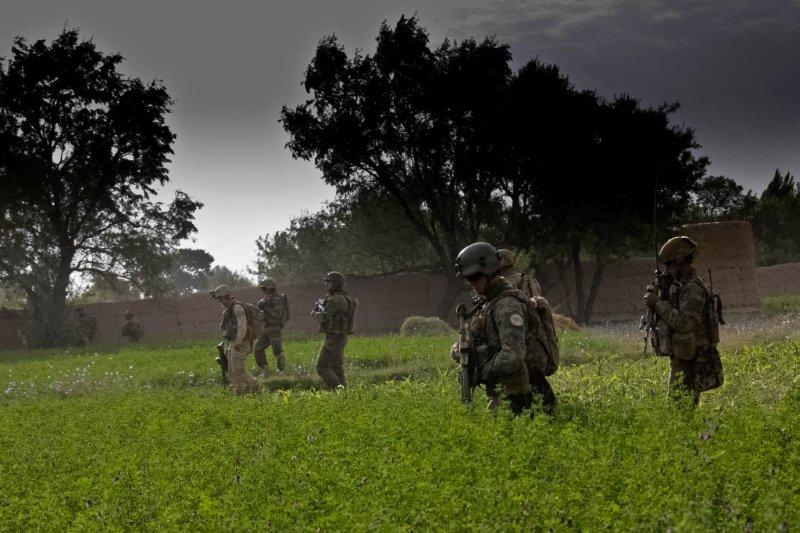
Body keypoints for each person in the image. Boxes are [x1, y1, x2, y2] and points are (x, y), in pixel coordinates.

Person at [453, 242, 550, 415]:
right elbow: (491, 342)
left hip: (525, 400)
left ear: (490, 272)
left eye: (474, 277)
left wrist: (481, 371)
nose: (470, 283)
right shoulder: (490, 303)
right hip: (507, 396)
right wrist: (463, 350)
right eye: (467, 278)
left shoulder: (507, 306)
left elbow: (512, 356)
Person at [643, 236, 723, 406]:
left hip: (691, 360)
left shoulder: (694, 288)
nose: (668, 271)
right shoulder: (682, 286)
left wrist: (657, 303)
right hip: (684, 357)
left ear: (679, 261)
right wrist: (661, 291)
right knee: (680, 410)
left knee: (679, 410)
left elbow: (684, 323)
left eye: (670, 266)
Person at [210, 285, 259, 395]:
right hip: (232, 342)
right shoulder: (228, 309)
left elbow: (242, 326)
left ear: (226, 296)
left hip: (240, 342)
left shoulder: (237, 308)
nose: (219, 301)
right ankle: (239, 392)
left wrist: (238, 342)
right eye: (218, 299)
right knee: (231, 370)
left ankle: (255, 386)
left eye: (220, 298)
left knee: (239, 369)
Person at [311, 271, 356, 389]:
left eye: (328, 281)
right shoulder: (345, 298)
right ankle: (344, 392)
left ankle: (337, 387)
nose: (326, 284)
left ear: (336, 284)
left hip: (333, 338)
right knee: (337, 368)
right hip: (341, 337)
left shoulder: (335, 299)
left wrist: (314, 312)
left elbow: (323, 317)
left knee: (322, 367)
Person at [253, 278, 289, 374]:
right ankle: (264, 369)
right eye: (262, 288)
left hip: (274, 328)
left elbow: (278, 314)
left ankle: (281, 371)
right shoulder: (265, 300)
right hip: (266, 328)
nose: (263, 290)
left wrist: (265, 308)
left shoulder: (277, 299)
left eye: (264, 288)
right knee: (257, 349)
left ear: (268, 288)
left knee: (277, 351)